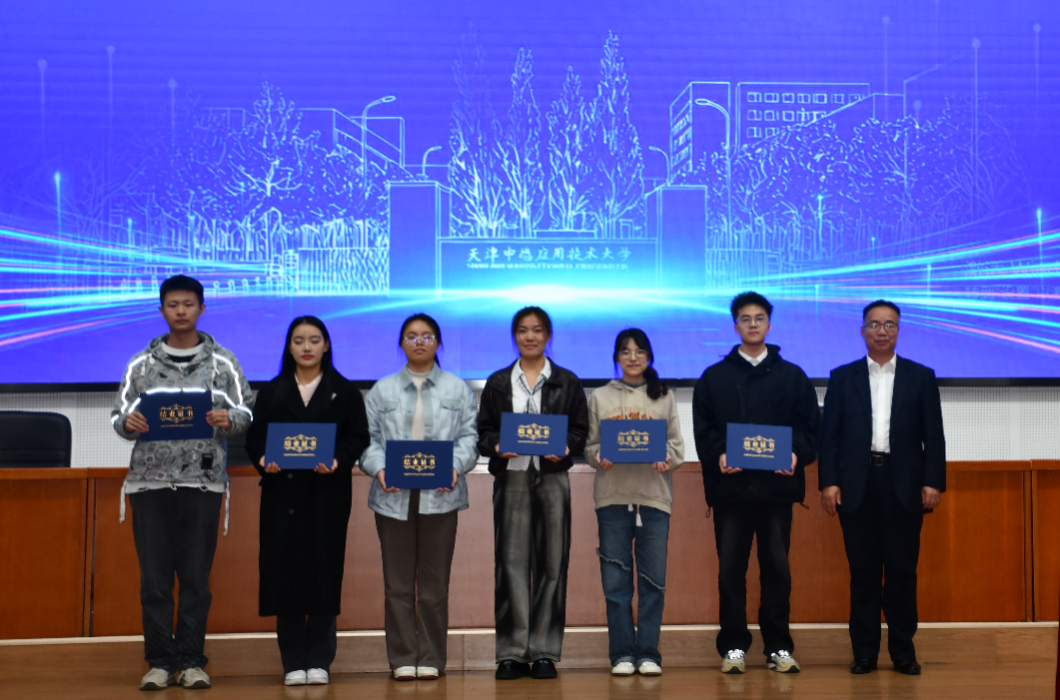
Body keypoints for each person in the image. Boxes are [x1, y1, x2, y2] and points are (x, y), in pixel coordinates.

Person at [110, 274, 254, 691]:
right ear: (161, 310)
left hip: (202, 483)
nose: (181, 311)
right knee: (154, 582)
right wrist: (128, 423)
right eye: (173, 304)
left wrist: (230, 419)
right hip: (149, 484)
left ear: (201, 309)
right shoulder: (140, 364)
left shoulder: (223, 362)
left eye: (188, 304)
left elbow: (247, 411)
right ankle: (158, 663)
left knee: (195, 580)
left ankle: (191, 662)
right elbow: (118, 415)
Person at [692, 291, 820, 675]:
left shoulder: (792, 376)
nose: (752, 324)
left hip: (776, 493)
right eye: (745, 318)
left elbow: (810, 427)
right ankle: (733, 646)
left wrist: (795, 454)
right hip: (731, 492)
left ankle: (778, 646)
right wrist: (719, 455)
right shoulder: (714, 378)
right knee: (730, 572)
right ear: (735, 326)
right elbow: (704, 429)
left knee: (777, 571)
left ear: (769, 324)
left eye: (759, 318)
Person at [819, 300, 946, 676]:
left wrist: (933, 481)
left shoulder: (920, 377)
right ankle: (864, 653)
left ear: (898, 331)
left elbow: (933, 436)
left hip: (903, 485)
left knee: (903, 572)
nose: (881, 331)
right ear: (863, 331)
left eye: (889, 324)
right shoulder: (842, 377)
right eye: (874, 324)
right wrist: (829, 482)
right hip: (856, 485)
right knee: (863, 573)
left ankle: (904, 652)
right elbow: (830, 437)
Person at [244, 316, 370, 686]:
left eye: (314, 340)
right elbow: (255, 437)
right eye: (299, 340)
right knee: (285, 575)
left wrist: (338, 459)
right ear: (289, 347)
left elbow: (358, 436)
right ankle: (292, 661)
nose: (307, 347)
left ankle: (319, 659)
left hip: (326, 495)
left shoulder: (344, 392)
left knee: (324, 573)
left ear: (326, 345)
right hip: (282, 495)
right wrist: (264, 459)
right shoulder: (272, 391)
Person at [359, 314, 479, 681]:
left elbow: (469, 438)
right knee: (396, 584)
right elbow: (367, 440)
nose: (419, 342)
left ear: (438, 343)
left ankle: (430, 656)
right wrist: (380, 468)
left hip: (441, 497)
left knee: (434, 586)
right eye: (411, 336)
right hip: (392, 497)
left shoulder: (458, 389)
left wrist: (454, 467)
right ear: (401, 344)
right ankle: (401, 658)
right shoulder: (382, 390)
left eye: (427, 336)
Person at [477, 306, 590, 681]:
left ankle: (543, 652)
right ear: (515, 336)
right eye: (523, 330)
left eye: (537, 330)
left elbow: (581, 431)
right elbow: (483, 433)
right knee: (509, 565)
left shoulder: (567, 381)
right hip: (511, 478)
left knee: (552, 564)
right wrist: (497, 445)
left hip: (552, 477)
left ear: (548, 335)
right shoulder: (498, 382)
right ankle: (511, 653)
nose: (530, 336)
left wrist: (567, 446)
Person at [583, 329, 685, 677]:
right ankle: (622, 654)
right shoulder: (600, 397)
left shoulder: (664, 396)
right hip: (612, 498)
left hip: (654, 499)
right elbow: (589, 447)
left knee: (653, 583)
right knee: (616, 584)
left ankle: (649, 654)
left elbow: (676, 448)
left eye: (640, 351)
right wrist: (599, 456)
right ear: (616, 357)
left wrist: (665, 459)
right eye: (625, 351)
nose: (632, 357)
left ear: (649, 356)